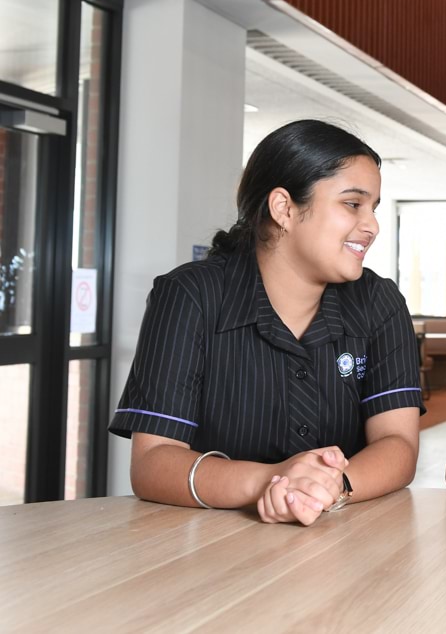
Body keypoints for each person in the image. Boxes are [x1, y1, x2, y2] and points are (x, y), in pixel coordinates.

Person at [110, 120, 423, 526]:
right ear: (284, 208)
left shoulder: (379, 302)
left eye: (374, 208)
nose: (372, 226)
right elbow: (153, 463)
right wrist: (270, 482)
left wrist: (331, 487)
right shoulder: (190, 297)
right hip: (209, 550)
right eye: (352, 204)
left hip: (340, 540)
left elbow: (398, 444)